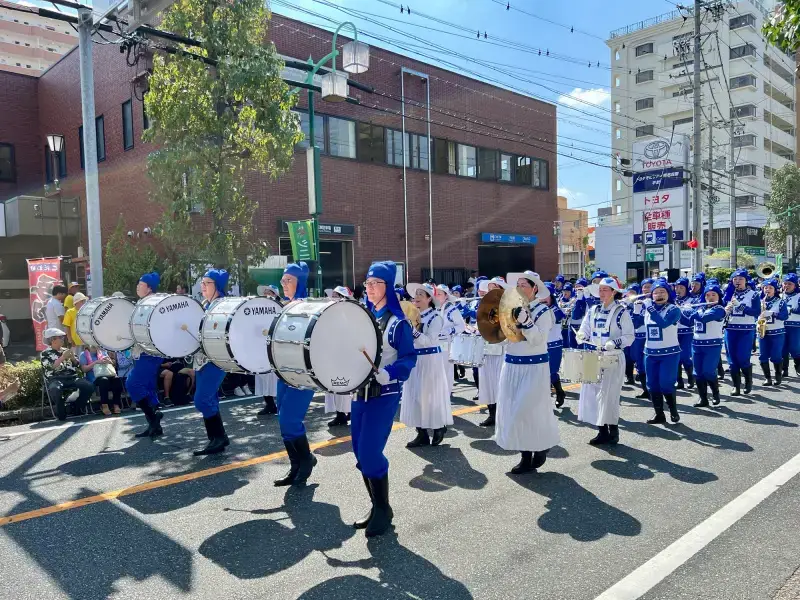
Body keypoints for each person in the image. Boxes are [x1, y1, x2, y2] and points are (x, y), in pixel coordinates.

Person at [351, 261, 416, 537]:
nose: (371, 288)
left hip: (384, 394)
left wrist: (389, 373)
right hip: (359, 393)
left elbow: (409, 358)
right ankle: (378, 506)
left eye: (377, 283)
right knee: (358, 453)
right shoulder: (361, 317)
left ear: (388, 288)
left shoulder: (398, 323)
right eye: (368, 283)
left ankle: (383, 509)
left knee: (369, 452)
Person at [495, 271, 560, 475]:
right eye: (518, 284)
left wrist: (527, 322)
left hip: (534, 367)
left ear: (534, 289)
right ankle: (525, 456)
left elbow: (538, 340)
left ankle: (540, 445)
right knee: (513, 410)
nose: (520, 287)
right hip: (512, 365)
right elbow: (504, 338)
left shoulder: (543, 311)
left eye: (524, 285)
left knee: (526, 410)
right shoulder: (510, 309)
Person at [274, 261, 318, 486]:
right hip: (284, 371)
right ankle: (296, 465)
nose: (284, 284)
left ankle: (306, 461)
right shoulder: (286, 306)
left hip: (302, 373)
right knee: (283, 420)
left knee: (290, 420)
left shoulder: (306, 307)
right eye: (283, 280)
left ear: (299, 282)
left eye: (288, 280)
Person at [576, 277, 634, 445]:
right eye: (600, 290)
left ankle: (613, 430)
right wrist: (581, 334)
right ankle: (601, 431)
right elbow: (585, 327)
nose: (602, 293)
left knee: (609, 395)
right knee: (592, 395)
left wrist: (614, 342)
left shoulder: (622, 311)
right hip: (592, 355)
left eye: (605, 290)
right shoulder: (593, 309)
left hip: (612, 356)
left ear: (614, 292)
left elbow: (629, 336)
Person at [401, 282, 451, 447]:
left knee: (431, 394)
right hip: (415, 359)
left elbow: (429, 340)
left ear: (429, 299)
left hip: (430, 360)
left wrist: (413, 332)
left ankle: (438, 426)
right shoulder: (410, 316)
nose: (416, 297)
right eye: (416, 294)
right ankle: (421, 432)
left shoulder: (436, 317)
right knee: (415, 394)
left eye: (421, 295)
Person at [191, 269, 232, 456]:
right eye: (202, 283)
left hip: (216, 358)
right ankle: (216, 438)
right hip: (202, 359)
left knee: (202, 399)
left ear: (218, 286)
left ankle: (219, 437)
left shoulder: (222, 306)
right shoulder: (206, 304)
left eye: (207, 283)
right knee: (210, 398)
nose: (203, 286)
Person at [127, 272, 166, 438]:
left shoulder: (153, 304)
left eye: (141, 284)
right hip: (142, 351)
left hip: (150, 352)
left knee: (133, 383)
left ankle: (153, 416)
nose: (137, 286)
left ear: (149, 288)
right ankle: (154, 426)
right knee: (148, 387)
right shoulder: (142, 303)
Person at [642, 279, 682, 424]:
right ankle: (659, 414)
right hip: (650, 353)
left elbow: (664, 324)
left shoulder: (674, 309)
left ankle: (673, 411)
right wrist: (634, 310)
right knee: (652, 384)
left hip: (669, 353)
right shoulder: (648, 309)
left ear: (668, 294)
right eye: (656, 292)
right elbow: (636, 325)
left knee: (666, 383)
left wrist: (650, 309)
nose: (659, 295)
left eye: (662, 292)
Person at [40, 328, 94, 421]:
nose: (63, 339)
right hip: (55, 378)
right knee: (55, 389)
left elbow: (77, 365)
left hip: (72, 377)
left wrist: (73, 357)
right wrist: (63, 357)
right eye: (60, 337)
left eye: (63, 337)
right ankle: (62, 411)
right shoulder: (45, 353)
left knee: (89, 386)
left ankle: (77, 406)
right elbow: (50, 367)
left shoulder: (66, 350)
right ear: (53, 340)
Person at [723, 269, 761, 396]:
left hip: (746, 330)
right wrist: (725, 310)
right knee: (732, 360)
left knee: (743, 358)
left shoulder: (753, 294)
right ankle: (736, 386)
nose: (737, 281)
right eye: (735, 279)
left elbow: (756, 312)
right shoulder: (728, 294)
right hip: (730, 329)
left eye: (740, 279)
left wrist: (740, 306)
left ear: (746, 280)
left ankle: (748, 381)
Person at [476, 276, 508, 426]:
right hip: (486, 348)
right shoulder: (484, 306)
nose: (491, 291)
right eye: (489, 288)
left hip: (502, 348)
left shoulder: (508, 307)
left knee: (500, 383)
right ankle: (492, 413)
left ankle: (503, 415)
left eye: (494, 287)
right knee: (487, 382)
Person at [688, 284, 726, 407]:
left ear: (719, 296)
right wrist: (680, 311)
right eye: (707, 295)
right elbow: (687, 321)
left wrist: (691, 311)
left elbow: (705, 318)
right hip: (696, 344)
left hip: (712, 345)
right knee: (697, 373)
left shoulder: (720, 309)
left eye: (713, 295)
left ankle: (715, 394)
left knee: (708, 371)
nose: (709, 297)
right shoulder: (699, 309)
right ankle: (703, 398)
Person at [324, 286, 356, 427]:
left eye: (337, 295)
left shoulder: (350, 313)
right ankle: (341, 413)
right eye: (334, 295)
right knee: (333, 384)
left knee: (343, 384)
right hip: (332, 352)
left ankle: (344, 413)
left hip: (344, 353)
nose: (333, 297)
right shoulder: (329, 313)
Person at [435, 284, 466, 395]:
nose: (436, 296)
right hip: (434, 344)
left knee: (446, 371)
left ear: (446, 296)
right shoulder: (435, 308)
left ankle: (446, 395)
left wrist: (448, 331)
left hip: (446, 344)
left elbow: (461, 326)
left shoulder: (452, 309)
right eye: (435, 293)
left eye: (439, 294)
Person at [254, 284, 281, 416]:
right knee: (262, 375)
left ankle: (278, 404)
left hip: (273, 346)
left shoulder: (280, 307)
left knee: (274, 376)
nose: (266, 294)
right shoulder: (258, 308)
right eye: (265, 292)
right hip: (259, 345)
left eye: (269, 292)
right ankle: (269, 404)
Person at [758, 278, 788, 387]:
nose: (767, 289)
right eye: (766, 287)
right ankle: (767, 378)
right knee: (763, 356)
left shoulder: (781, 302)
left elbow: (785, 316)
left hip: (777, 332)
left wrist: (773, 314)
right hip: (763, 331)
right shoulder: (760, 302)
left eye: (770, 288)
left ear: (775, 290)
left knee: (776, 355)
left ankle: (778, 376)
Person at [80, 346, 124, 415]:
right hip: (94, 377)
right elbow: (84, 369)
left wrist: (110, 361)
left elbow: (113, 364)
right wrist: (96, 362)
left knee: (116, 379)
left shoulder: (102, 352)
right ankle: (104, 405)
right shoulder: (83, 354)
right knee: (104, 380)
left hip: (106, 373)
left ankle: (116, 404)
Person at [543, 283, 567, 408]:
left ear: (551, 297)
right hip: (540, 345)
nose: (543, 299)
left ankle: (559, 392)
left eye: (546, 296)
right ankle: (545, 401)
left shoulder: (556, 310)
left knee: (551, 372)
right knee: (541, 373)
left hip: (554, 345)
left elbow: (557, 317)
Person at [631, 278, 654, 399]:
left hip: (650, 337)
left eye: (649, 287)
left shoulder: (656, 303)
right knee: (639, 364)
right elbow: (635, 324)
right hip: (638, 337)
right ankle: (646, 390)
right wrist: (635, 311)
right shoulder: (638, 302)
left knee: (649, 365)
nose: (646, 289)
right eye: (644, 287)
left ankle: (653, 390)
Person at [674, 278, 695, 390]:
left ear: (686, 288)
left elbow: (691, 318)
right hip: (674, 332)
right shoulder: (672, 300)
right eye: (677, 287)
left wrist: (681, 310)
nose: (678, 290)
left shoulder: (692, 300)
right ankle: (679, 380)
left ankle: (691, 377)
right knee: (675, 356)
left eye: (681, 287)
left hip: (687, 332)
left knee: (685, 356)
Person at [782, 273, 800, 377]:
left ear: (795, 285)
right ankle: (784, 370)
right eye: (785, 283)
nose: (787, 286)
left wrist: (790, 309)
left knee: (795, 348)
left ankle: (798, 367)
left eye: (790, 284)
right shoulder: (780, 295)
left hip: (795, 326)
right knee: (782, 348)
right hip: (781, 326)